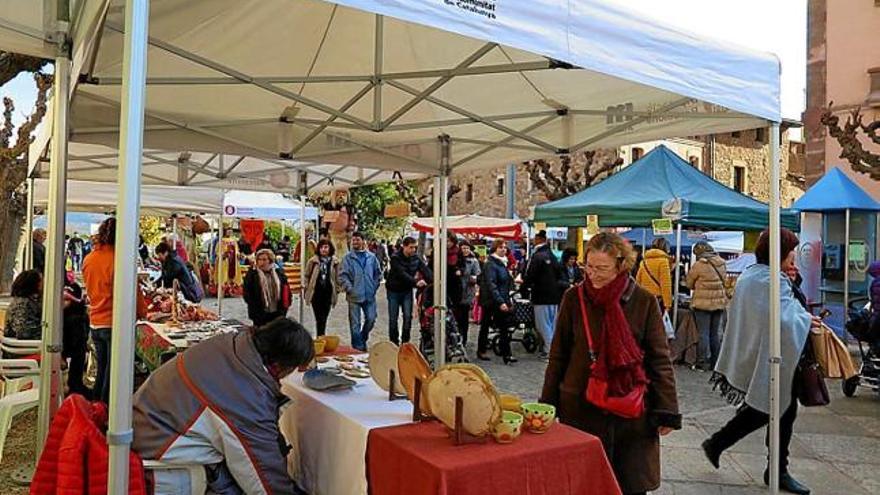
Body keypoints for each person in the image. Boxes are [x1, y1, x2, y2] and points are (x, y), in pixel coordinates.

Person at [540, 232, 680, 495]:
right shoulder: (573, 298)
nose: (592, 274)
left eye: (601, 268)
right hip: (581, 407)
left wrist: (667, 410)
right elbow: (558, 355)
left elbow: (659, 359)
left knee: (629, 485)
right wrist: (548, 405)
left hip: (631, 413)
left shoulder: (645, 301)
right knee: (584, 484)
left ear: (620, 265)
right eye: (588, 266)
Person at [133, 317, 313, 495]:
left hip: (145, 430)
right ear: (281, 366)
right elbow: (263, 478)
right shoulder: (245, 394)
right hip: (160, 463)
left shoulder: (230, 345)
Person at [703, 228, 818, 495]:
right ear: (780, 252)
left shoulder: (756, 276)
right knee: (773, 410)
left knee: (777, 411)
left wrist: (792, 282)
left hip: (773, 357)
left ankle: (770, 466)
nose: (794, 257)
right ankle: (771, 467)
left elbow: (785, 310)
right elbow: (785, 318)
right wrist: (806, 320)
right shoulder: (768, 281)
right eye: (791, 252)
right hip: (773, 360)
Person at [82, 217, 147, 403]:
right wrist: (144, 312)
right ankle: (106, 413)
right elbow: (132, 294)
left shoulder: (89, 259)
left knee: (102, 369)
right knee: (113, 374)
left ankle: (96, 407)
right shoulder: (120, 260)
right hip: (115, 323)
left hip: (96, 321)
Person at [523, 230, 567, 358]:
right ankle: (553, 349)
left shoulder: (537, 256)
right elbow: (559, 273)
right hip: (554, 296)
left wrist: (524, 289)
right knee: (551, 324)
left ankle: (550, 351)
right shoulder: (552, 255)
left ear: (538, 239)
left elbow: (530, 275)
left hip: (541, 296)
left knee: (542, 325)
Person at [686, 241, 729, 371]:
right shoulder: (721, 263)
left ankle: (701, 363)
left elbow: (689, 284)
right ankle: (715, 363)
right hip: (719, 303)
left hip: (702, 304)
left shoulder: (699, 265)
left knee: (703, 333)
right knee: (714, 334)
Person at [339, 232, 383, 351]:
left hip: (369, 295)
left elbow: (378, 274)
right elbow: (342, 276)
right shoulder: (348, 258)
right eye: (353, 240)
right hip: (354, 296)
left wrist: (374, 287)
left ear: (363, 241)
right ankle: (358, 348)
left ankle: (362, 338)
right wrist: (349, 288)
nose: (355, 242)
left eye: (357, 240)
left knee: (371, 318)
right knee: (355, 324)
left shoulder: (372, 257)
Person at [385, 236, 432, 345]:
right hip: (394, 291)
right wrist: (416, 282)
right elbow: (402, 274)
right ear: (404, 247)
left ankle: (405, 342)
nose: (413, 250)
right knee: (393, 318)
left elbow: (425, 270)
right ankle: (394, 343)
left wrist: (430, 280)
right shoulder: (395, 258)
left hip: (407, 291)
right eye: (411, 247)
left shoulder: (416, 258)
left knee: (407, 317)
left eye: (414, 247)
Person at [477, 240, 515, 364]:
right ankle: (482, 350)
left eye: (505, 248)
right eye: (501, 247)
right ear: (494, 249)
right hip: (491, 301)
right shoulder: (491, 264)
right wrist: (500, 302)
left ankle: (506, 354)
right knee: (486, 325)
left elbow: (505, 284)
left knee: (504, 327)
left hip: (501, 298)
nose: (504, 250)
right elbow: (491, 285)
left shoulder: (502, 263)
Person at [243, 249, 292, 326]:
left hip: (277, 311)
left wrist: (285, 307)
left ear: (270, 260)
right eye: (259, 259)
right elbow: (247, 293)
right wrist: (254, 307)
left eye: (264, 259)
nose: (261, 262)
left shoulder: (278, 272)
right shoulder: (252, 274)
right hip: (260, 313)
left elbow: (286, 289)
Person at [304, 240, 340, 337]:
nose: (323, 250)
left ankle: (321, 336)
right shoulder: (313, 261)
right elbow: (306, 275)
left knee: (324, 316)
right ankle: (321, 336)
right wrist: (307, 287)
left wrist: (337, 289)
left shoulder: (335, 262)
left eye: (326, 247)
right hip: (316, 293)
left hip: (328, 292)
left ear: (330, 248)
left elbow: (338, 277)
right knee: (319, 317)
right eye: (321, 247)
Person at [62, 270, 90, 397]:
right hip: (63, 345)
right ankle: (75, 383)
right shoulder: (77, 316)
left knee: (80, 347)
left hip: (69, 344)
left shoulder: (77, 316)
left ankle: (75, 383)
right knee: (80, 349)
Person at [3, 270, 43, 341]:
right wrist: (48, 330)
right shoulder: (22, 304)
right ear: (34, 284)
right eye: (41, 281)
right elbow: (22, 331)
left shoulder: (26, 301)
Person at [636, 237, 673, 313]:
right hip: (656, 301)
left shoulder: (644, 262)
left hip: (644, 298)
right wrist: (667, 305)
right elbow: (666, 284)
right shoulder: (663, 262)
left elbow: (637, 282)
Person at [457, 241, 481, 345]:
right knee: (456, 315)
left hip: (467, 291)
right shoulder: (456, 260)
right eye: (463, 248)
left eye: (467, 248)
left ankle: (464, 337)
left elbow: (478, 275)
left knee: (464, 316)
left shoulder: (473, 261)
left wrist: (474, 278)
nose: (465, 250)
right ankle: (456, 336)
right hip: (456, 291)